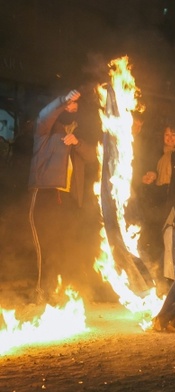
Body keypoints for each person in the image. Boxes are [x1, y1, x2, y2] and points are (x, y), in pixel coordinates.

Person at [28, 89, 96, 300]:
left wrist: (78, 143)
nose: (71, 108)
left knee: (65, 245)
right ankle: (40, 291)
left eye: (75, 105)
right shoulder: (45, 131)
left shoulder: (79, 133)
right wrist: (61, 100)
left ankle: (62, 292)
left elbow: (93, 156)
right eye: (68, 105)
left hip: (69, 197)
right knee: (44, 244)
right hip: (46, 192)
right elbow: (44, 115)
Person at [140, 124, 175, 279]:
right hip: (156, 199)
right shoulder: (155, 152)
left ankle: (170, 275)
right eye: (167, 135)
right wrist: (148, 176)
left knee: (169, 236)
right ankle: (153, 275)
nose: (170, 138)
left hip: (173, 200)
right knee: (154, 237)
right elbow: (147, 170)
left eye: (173, 135)